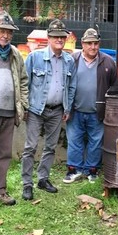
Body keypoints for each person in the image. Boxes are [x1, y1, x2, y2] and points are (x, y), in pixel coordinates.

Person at [21, 19, 76, 200]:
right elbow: (25, 83)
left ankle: (43, 179)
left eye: (62, 36)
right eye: (55, 36)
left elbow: (71, 87)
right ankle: (27, 184)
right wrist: (25, 107)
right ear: (49, 37)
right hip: (36, 110)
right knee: (30, 147)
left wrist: (67, 108)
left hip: (57, 110)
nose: (59, 39)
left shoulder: (69, 61)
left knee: (50, 147)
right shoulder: (35, 57)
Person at [63, 28, 118, 184]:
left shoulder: (108, 62)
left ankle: (91, 170)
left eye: (95, 43)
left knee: (96, 141)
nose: (93, 47)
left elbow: (115, 89)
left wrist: (112, 111)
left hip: (98, 112)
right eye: (89, 44)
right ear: (82, 44)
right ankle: (74, 170)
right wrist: (66, 106)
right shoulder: (72, 60)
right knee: (74, 140)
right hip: (75, 110)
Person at [0, 10, 29, 206]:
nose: (5, 35)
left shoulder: (15, 54)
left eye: (8, 31)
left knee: (3, 154)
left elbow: (23, 81)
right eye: (1, 31)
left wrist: (23, 105)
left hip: (8, 114)